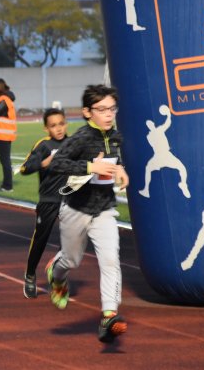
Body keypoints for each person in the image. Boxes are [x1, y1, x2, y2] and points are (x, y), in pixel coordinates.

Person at [46, 84, 129, 343]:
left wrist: (121, 170)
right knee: (71, 261)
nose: (108, 114)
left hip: (104, 210)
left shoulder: (115, 136)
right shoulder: (82, 137)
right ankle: (56, 273)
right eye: (101, 109)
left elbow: (115, 161)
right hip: (75, 209)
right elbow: (57, 163)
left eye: (112, 109)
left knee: (110, 260)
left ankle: (108, 316)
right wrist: (90, 165)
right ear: (87, 112)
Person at [19, 108, 68, 299]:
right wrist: (43, 164)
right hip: (48, 201)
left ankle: (58, 278)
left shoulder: (72, 143)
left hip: (69, 201)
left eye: (61, 124)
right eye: (53, 125)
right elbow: (24, 169)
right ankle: (30, 275)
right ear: (46, 128)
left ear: (66, 124)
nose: (58, 128)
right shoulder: (43, 145)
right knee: (40, 240)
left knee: (69, 244)